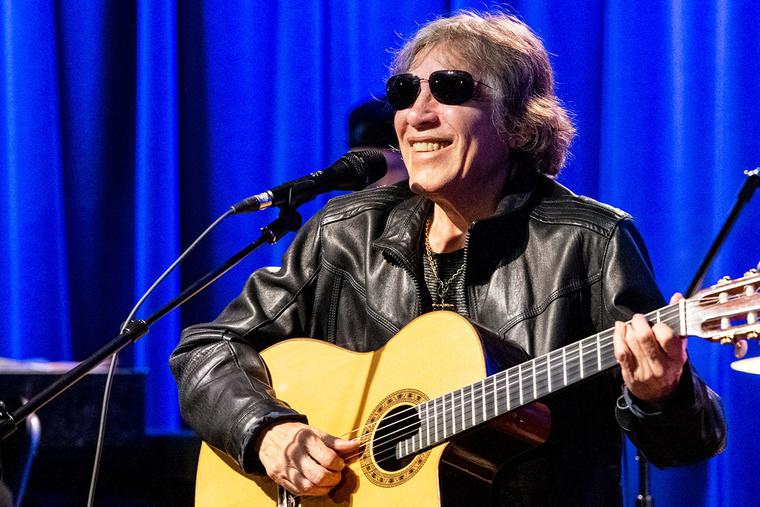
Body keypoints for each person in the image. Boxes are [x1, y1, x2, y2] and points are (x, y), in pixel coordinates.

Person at [171, 12, 726, 505]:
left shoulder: (591, 241)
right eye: (404, 91)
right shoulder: (344, 233)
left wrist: (661, 393)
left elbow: (687, 445)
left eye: (451, 88)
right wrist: (268, 431)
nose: (418, 113)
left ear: (518, 120)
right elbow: (207, 350)